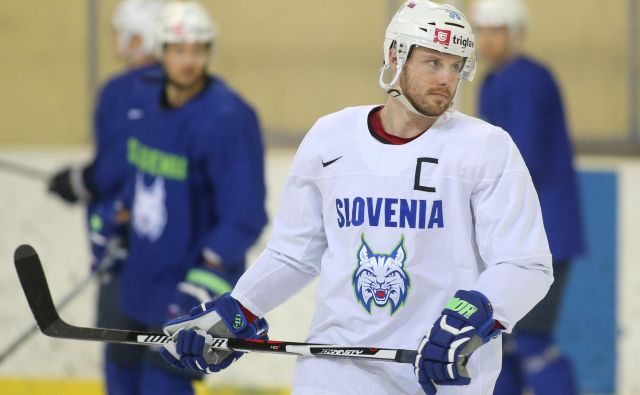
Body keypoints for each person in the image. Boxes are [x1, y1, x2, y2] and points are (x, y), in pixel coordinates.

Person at [159, 1, 553, 394]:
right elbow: (295, 252)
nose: (446, 79)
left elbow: (525, 263)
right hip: (335, 366)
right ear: (395, 55)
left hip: (438, 370)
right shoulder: (331, 137)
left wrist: (477, 313)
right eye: (433, 62)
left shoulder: (486, 147)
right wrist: (241, 308)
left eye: (455, 65)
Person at [106, 1, 268, 394]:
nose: (189, 61)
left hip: (187, 289)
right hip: (138, 284)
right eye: (179, 50)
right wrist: (111, 217)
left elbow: (244, 216)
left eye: (198, 50)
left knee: (163, 387)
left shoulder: (229, 117)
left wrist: (204, 279)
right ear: (161, 51)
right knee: (120, 382)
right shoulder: (144, 102)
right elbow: (138, 175)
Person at [47, 1, 166, 394]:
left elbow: (114, 167)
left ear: (138, 36)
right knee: (167, 370)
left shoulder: (119, 90)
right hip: (176, 261)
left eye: (120, 32)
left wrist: (78, 181)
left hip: (125, 257)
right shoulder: (195, 92)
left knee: (122, 366)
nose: (115, 41)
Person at [470, 1, 584, 394]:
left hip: (544, 234)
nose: (485, 40)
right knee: (505, 342)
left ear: (514, 32)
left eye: (494, 30)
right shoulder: (496, 80)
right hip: (522, 232)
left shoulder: (527, 80)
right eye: (481, 30)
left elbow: (521, 158)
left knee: (532, 342)